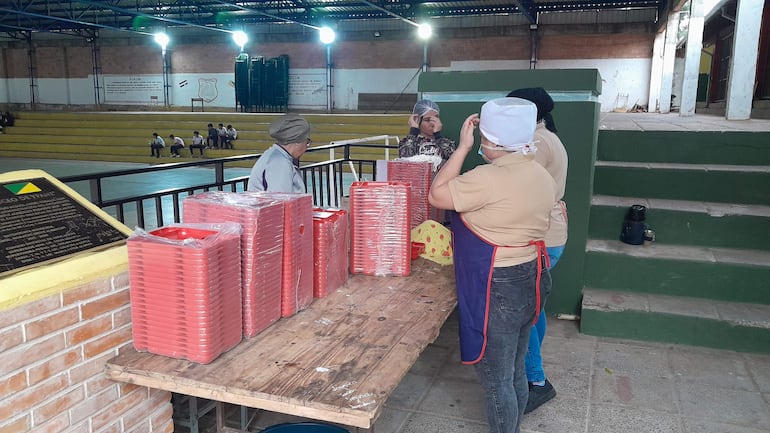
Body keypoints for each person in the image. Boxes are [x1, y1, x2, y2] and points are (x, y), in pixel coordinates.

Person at [428, 97, 555, 433]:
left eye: (482, 136)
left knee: (496, 381)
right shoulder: (540, 175)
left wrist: (462, 148)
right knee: (515, 370)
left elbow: (437, 194)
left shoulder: (486, 178)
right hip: (533, 276)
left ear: (490, 141)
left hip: (498, 284)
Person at [507, 87, 568, 414]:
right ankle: (532, 370)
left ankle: (537, 383)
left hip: (541, 235)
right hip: (550, 232)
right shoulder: (545, 138)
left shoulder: (537, 143)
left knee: (524, 313)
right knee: (535, 308)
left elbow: (518, 187)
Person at [247, 114, 311, 193]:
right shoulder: (279, 164)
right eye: (307, 143)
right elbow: (282, 201)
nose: (306, 147)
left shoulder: (277, 156)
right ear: (297, 142)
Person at [398, 99, 456, 166]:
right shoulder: (409, 142)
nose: (432, 123)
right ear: (418, 121)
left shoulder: (447, 142)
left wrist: (438, 135)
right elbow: (405, 161)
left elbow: (453, 161)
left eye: (436, 118)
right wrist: (413, 131)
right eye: (427, 120)